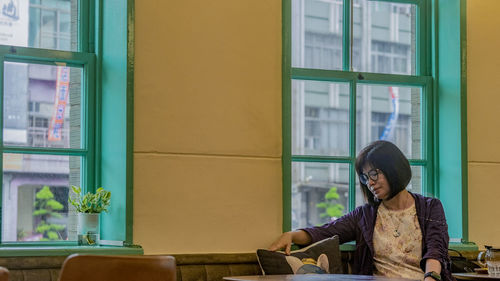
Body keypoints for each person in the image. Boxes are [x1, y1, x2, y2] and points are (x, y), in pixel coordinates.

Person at [269, 140, 454, 281]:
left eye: (374, 173)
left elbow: (436, 250)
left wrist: (431, 277)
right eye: (365, 177)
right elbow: (327, 231)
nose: (370, 182)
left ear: (394, 169)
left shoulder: (431, 207)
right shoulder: (365, 215)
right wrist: (292, 235)